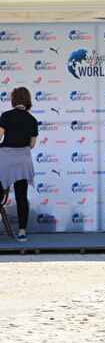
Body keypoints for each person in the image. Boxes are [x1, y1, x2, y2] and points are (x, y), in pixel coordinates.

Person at [0, 86, 37, 242]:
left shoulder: (6, 115)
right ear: (27, 100)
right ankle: (22, 232)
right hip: (23, 159)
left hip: (5, 158)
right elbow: (32, 145)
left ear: (13, 100)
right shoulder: (32, 119)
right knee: (22, 196)